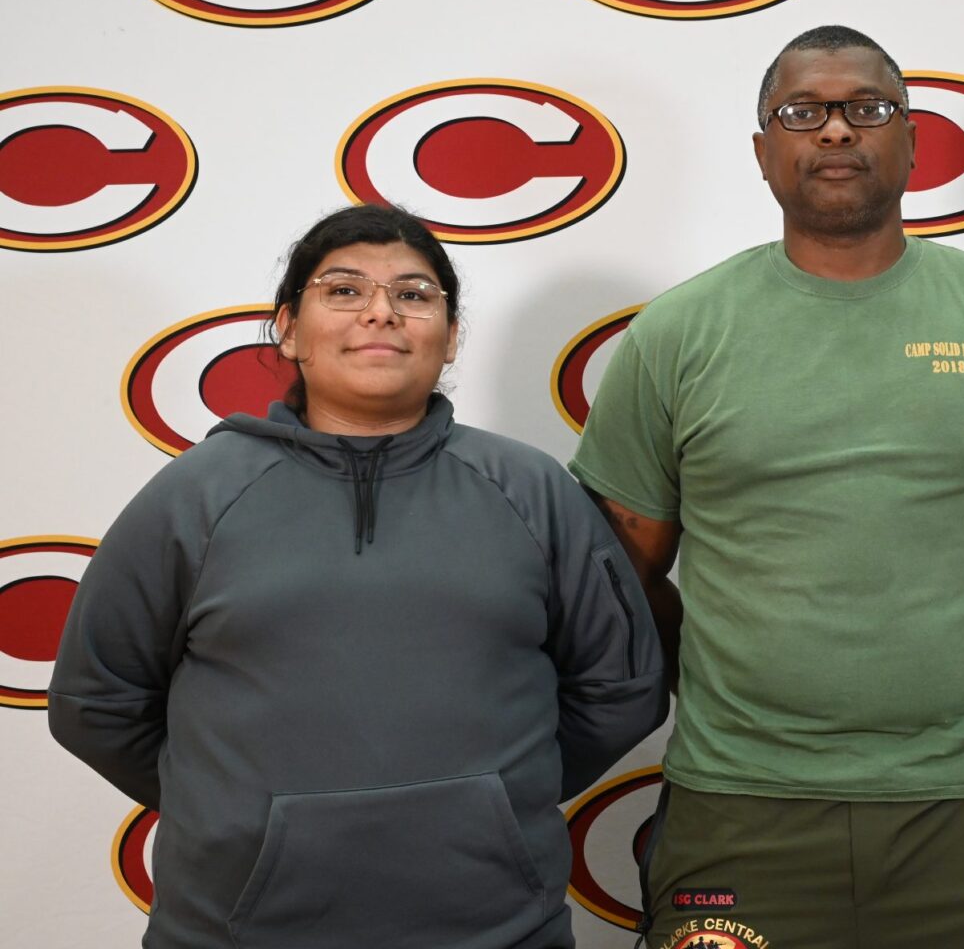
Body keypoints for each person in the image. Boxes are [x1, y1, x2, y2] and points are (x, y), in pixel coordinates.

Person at [569, 25, 964, 948]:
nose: (835, 130)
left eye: (867, 108)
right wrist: (730, 681)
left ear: (912, 141)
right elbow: (623, 577)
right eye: (802, 112)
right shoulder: (676, 335)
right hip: (741, 805)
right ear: (762, 152)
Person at [49, 203, 668, 949]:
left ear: (451, 336)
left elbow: (621, 689)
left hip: (500, 929)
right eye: (344, 290)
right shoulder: (196, 496)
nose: (381, 312)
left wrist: (492, 806)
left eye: (413, 294)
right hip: (235, 933)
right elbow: (96, 703)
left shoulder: (531, 490)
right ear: (288, 329)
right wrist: (239, 817)